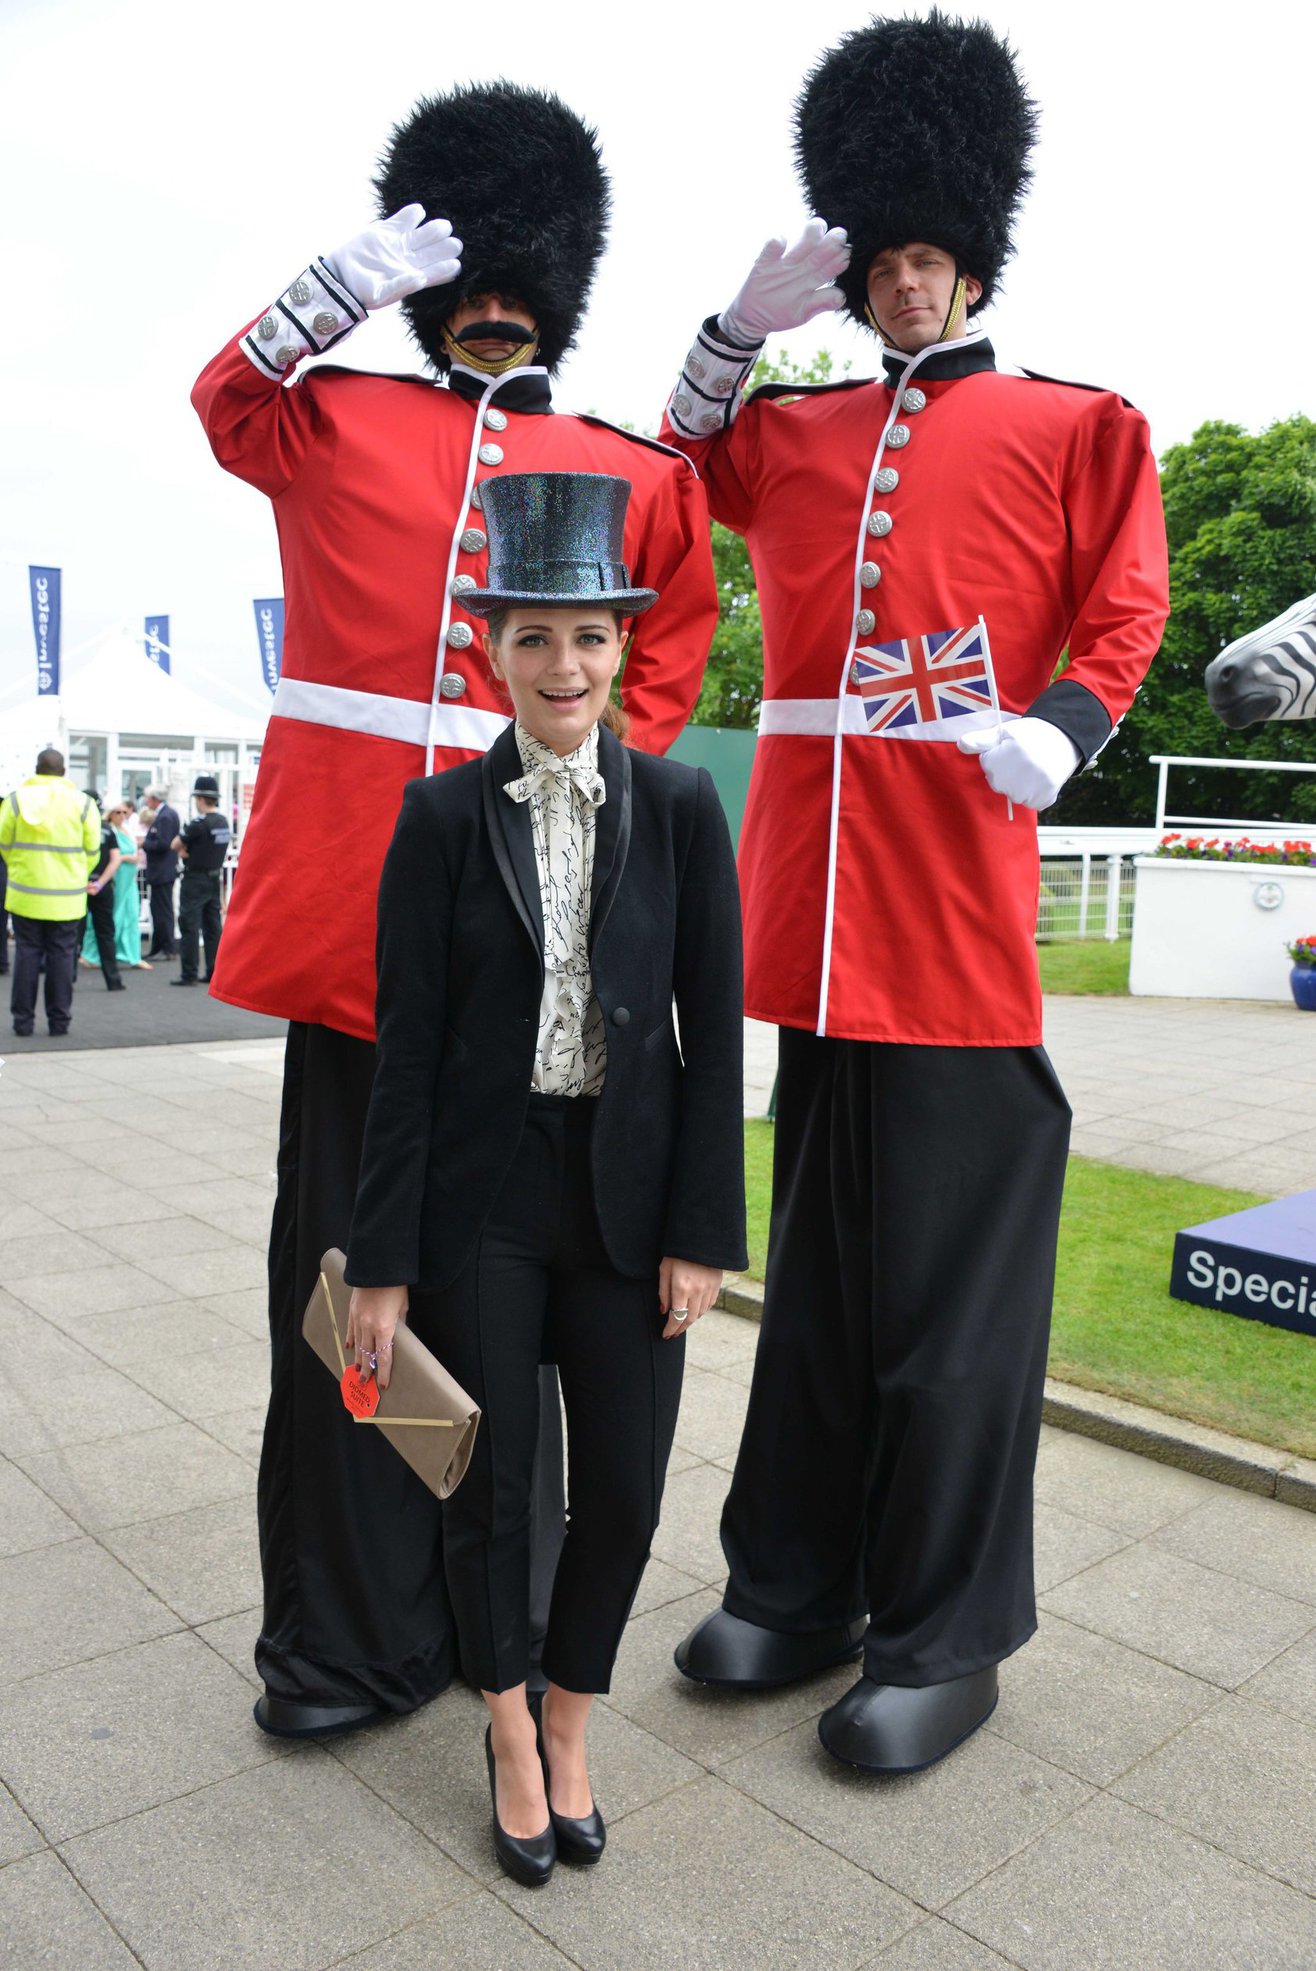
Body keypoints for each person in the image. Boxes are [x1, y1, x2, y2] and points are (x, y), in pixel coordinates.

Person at [660, 13, 1170, 1772]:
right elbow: (684, 463)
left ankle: (947, 1631)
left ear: (975, 264)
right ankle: (795, 1581)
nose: (901, 288)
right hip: (811, 931)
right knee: (809, 1297)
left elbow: (1127, 603)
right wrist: (735, 334)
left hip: (950, 925)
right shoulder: (794, 436)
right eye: (879, 264)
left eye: (927, 259)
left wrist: (1067, 727)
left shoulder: (1074, 422)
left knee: (953, 1321)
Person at [190, 83, 718, 1738]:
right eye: (465, 271)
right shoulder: (334, 417)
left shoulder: (622, 468)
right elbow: (223, 399)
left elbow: (659, 664)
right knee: (354, 1305)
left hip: (535, 969)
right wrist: (334, 285)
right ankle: (349, 1633)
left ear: (559, 283)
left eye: (518, 271)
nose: (493, 297)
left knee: (516, 1314)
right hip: (359, 953)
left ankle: (491, 1619)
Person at [345, 470, 746, 1885]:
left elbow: (712, 1034)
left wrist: (704, 1229)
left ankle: (574, 1712)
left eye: (586, 635)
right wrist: (382, 1258)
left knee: (627, 1493)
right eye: (533, 637)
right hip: (486, 1202)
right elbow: (405, 1056)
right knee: (497, 1490)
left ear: (622, 645)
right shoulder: (441, 818)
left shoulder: (687, 806)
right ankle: (509, 1730)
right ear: (493, 652)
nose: (562, 664)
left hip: (632, 1208)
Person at [0, 749, 102, 1036]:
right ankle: (59, 1022)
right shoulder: (83, 803)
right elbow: (93, 850)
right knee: (61, 957)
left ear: (36, 769)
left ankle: (23, 1023)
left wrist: (21, 869)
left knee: (26, 955)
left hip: (25, 894)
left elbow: (4, 844)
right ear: (64, 770)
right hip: (67, 897)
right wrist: (76, 874)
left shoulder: (16, 800)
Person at [170, 775, 229, 985]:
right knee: (213, 928)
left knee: (189, 926)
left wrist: (186, 850)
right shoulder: (223, 822)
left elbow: (175, 844)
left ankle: (189, 974)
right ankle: (213, 972)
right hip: (214, 879)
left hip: (195, 880)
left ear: (201, 799)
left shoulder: (198, 824)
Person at [81, 799, 150, 972]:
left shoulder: (126, 830)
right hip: (115, 877)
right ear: (110, 814)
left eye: (124, 812)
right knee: (108, 917)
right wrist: (128, 858)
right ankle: (91, 954)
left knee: (131, 915)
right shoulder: (108, 830)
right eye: (117, 812)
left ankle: (133, 956)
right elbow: (113, 856)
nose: (122, 815)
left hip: (129, 879)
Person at [141, 785, 180, 957]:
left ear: (155, 799)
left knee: (162, 910)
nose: (146, 801)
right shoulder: (166, 815)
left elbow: (164, 843)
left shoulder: (165, 817)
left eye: (148, 798)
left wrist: (144, 844)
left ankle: (166, 947)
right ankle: (160, 946)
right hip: (162, 870)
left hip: (162, 870)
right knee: (159, 909)